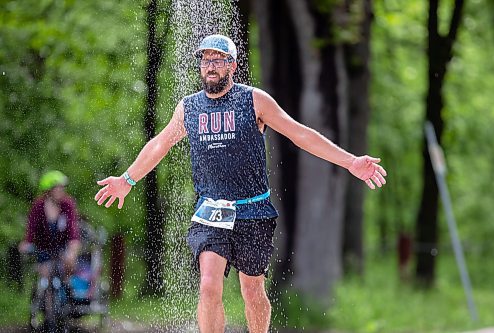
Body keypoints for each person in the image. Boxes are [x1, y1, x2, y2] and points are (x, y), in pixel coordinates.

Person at [95, 34, 387, 333]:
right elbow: (159, 144)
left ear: (232, 66)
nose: (210, 66)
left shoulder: (253, 100)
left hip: (253, 211)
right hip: (210, 212)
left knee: (252, 291)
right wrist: (127, 179)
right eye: (205, 60)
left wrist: (350, 161)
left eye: (218, 60)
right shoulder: (189, 108)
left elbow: (299, 133)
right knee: (209, 285)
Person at [19, 170, 81, 282]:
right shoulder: (38, 206)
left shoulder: (67, 204)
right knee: (45, 276)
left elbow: (72, 229)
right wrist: (27, 243)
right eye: (58, 188)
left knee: (69, 264)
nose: (62, 191)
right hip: (43, 249)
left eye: (63, 188)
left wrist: (72, 249)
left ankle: (67, 287)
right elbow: (31, 228)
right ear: (49, 190)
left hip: (62, 247)